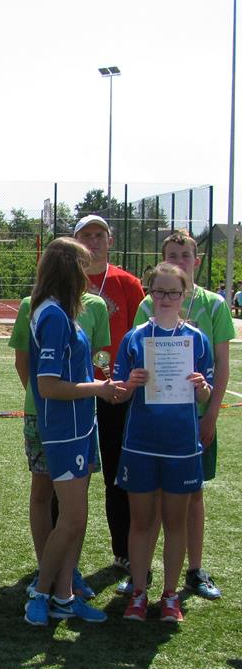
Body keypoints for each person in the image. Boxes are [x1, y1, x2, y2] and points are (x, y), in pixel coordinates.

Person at [127, 231, 232, 600]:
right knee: (152, 500)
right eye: (172, 255)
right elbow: (135, 359)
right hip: (152, 422)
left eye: (185, 255)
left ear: (196, 261)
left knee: (192, 497)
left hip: (195, 419)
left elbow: (221, 365)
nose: (179, 260)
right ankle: (143, 576)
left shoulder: (214, 304)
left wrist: (211, 415)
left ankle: (194, 571)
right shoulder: (147, 305)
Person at [23, 238, 121, 626]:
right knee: (72, 519)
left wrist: (102, 386)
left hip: (80, 427)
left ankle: (64, 596)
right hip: (63, 430)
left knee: (75, 519)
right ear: (69, 270)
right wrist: (99, 389)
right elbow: (48, 386)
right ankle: (41, 592)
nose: (90, 274)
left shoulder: (62, 311)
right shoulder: (52, 315)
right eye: (84, 266)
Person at [115, 262, 214, 623]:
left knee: (175, 522)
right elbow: (119, 394)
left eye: (174, 292)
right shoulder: (135, 337)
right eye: (159, 291)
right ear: (150, 293)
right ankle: (139, 593)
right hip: (141, 443)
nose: (166, 298)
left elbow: (205, 395)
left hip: (181, 445)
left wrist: (202, 387)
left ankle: (170, 595)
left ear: (184, 294)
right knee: (141, 522)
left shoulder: (196, 339)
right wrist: (130, 383)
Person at [9, 290, 109, 598]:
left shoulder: (95, 305)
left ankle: (69, 573)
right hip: (42, 414)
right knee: (42, 492)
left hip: (81, 416)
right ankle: (46, 570)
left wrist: (100, 383)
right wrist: (42, 400)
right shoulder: (32, 306)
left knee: (76, 500)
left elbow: (95, 359)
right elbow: (23, 362)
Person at [75, 214, 144, 573]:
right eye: (86, 235)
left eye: (99, 235)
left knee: (118, 471)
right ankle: (61, 556)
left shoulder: (128, 283)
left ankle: (124, 551)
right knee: (71, 475)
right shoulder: (66, 282)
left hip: (119, 390)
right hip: (77, 391)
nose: (93, 241)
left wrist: (127, 382)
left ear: (110, 241)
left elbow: (141, 335)